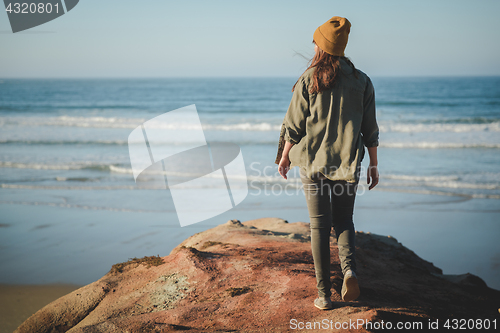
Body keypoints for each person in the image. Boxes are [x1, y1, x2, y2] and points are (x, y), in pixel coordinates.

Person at [276, 16, 379, 310]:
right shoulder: (363, 81)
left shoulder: (310, 79)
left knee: (319, 228)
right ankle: (349, 272)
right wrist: (373, 164)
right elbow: (369, 129)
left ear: (321, 46)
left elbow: (293, 126)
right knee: (344, 220)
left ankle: (324, 295)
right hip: (348, 165)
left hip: (313, 164)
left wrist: (284, 156)